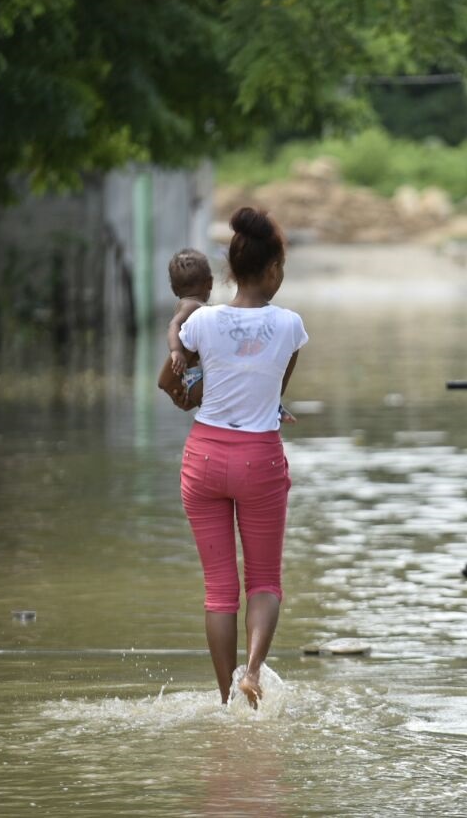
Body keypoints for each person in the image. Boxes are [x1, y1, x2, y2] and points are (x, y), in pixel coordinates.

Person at [166, 206, 308, 708]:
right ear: (272, 270)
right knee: (264, 580)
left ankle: (227, 699)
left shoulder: (202, 321)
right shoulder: (290, 325)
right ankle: (251, 673)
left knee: (219, 590)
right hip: (259, 460)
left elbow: (181, 367)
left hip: (202, 458)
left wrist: (186, 316)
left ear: (231, 270)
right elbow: (273, 394)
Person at [164, 248, 213, 405]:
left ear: (173, 289)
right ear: (210, 282)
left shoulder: (189, 304)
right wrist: (176, 351)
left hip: (193, 379)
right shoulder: (192, 306)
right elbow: (174, 324)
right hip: (197, 377)